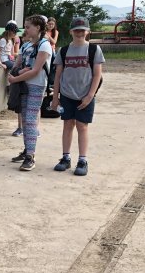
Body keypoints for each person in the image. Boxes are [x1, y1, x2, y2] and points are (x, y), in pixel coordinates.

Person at [50, 17, 104, 176]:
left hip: (85, 95)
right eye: (76, 30)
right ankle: (65, 158)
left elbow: (97, 75)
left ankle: (82, 160)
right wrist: (55, 97)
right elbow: (58, 75)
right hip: (67, 94)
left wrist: (89, 96)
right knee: (68, 125)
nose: (79, 33)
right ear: (71, 32)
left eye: (82, 30)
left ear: (87, 32)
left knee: (82, 126)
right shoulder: (64, 50)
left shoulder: (94, 50)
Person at [8, 15, 53, 171]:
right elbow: (16, 66)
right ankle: (28, 150)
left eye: (28, 27)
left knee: (30, 120)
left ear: (38, 28)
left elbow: (35, 71)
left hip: (36, 85)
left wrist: (15, 78)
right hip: (23, 85)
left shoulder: (44, 45)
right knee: (26, 120)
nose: (25, 30)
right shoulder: (26, 45)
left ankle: (30, 156)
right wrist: (18, 73)